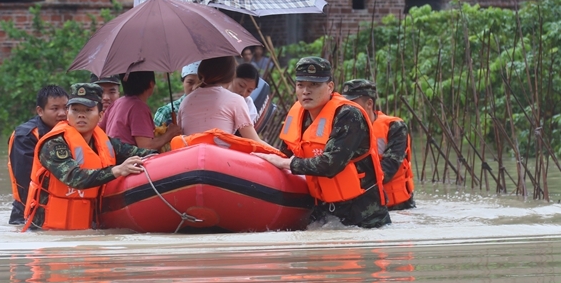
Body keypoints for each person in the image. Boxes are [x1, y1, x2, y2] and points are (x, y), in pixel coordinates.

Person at [254, 57, 390, 228]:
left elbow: (331, 164)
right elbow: (284, 153)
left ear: (330, 87)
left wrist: (285, 163)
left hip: (363, 216)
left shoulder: (349, 115)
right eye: (300, 85)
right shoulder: (299, 113)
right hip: (324, 211)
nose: (306, 91)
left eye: (314, 85)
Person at [24, 83, 156, 230]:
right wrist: (117, 171)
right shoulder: (54, 144)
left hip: (86, 229)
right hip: (46, 232)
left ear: (100, 115)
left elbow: (142, 153)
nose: (81, 115)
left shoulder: (106, 142)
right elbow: (74, 177)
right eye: (75, 110)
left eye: (88, 110)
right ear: (67, 113)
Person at [342, 79, 416, 210]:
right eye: (345, 104)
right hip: (362, 206)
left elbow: (388, 169)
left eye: (352, 103)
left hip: (397, 208)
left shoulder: (395, 127)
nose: (347, 109)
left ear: (369, 103)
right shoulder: (342, 129)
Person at [7, 85, 69, 225]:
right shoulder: (26, 136)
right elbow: (26, 180)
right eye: (54, 109)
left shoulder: (73, 129)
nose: (62, 113)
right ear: (40, 111)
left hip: (64, 205)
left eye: (66, 107)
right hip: (29, 212)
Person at [177, 56, 264, 143]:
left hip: (189, 155)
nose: (244, 92)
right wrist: (277, 153)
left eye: (249, 90)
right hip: (219, 155)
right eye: (241, 85)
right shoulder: (236, 100)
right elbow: (253, 141)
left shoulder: (185, 102)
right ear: (232, 76)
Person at [103, 70, 181, 149]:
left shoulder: (116, 103)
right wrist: (170, 134)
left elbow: (99, 130)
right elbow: (146, 146)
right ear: (151, 84)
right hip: (128, 159)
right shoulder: (138, 107)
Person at [153, 61, 200, 129]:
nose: (195, 87)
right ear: (182, 83)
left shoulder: (213, 108)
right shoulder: (166, 112)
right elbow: (154, 137)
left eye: (200, 83)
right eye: (190, 82)